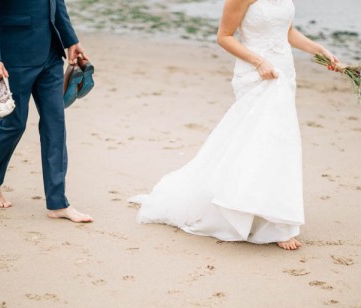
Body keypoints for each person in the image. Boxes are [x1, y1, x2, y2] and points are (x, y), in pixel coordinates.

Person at [130, 0, 339, 250]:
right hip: (257, 73)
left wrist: (319, 50)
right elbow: (225, 36)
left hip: (283, 72)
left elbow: (287, 31)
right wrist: (259, 61)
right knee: (256, 141)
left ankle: (271, 217)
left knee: (278, 143)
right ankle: (258, 219)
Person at [0, 0, 93, 223]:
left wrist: (70, 39)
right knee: (13, 124)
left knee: (55, 124)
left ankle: (58, 203)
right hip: (15, 56)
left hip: (51, 53)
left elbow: (56, 3)